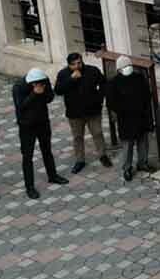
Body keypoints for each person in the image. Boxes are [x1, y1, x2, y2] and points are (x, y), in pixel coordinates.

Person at [12, 68, 68, 199]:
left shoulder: (44, 80)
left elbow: (50, 97)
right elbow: (20, 106)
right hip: (27, 126)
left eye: (41, 82)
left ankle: (52, 176)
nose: (39, 84)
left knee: (47, 150)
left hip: (42, 122)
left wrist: (42, 93)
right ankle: (29, 187)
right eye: (36, 83)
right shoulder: (19, 87)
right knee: (27, 156)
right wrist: (34, 94)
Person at [54, 52, 110, 174]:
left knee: (98, 133)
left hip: (93, 110)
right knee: (78, 137)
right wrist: (71, 79)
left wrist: (99, 99)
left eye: (79, 62)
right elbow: (58, 90)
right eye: (74, 64)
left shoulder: (92, 70)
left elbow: (103, 83)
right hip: (74, 113)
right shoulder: (63, 74)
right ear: (69, 65)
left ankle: (103, 155)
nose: (77, 66)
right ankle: (80, 160)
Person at [109, 57, 154, 181]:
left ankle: (142, 163)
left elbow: (146, 95)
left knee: (143, 142)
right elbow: (112, 102)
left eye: (128, 65)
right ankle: (127, 168)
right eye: (124, 67)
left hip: (140, 116)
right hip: (126, 119)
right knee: (127, 145)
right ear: (118, 70)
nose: (127, 68)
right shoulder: (114, 82)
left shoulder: (139, 78)